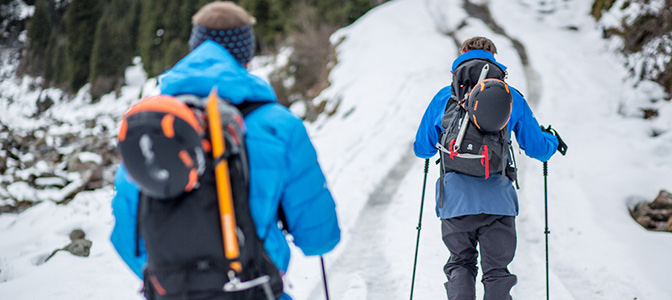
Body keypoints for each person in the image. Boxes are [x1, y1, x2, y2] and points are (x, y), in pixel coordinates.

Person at [110, 2, 340, 299]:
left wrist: (181, 278)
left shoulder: (156, 128)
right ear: (246, 54)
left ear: (194, 46)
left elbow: (127, 237)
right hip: (254, 288)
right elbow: (319, 238)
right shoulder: (279, 126)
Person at [413, 36, 560, 300]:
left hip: (455, 201)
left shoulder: (443, 98)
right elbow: (538, 148)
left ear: (461, 58)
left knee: (460, 264)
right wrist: (553, 139)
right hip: (498, 201)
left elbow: (422, 148)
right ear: (493, 57)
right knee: (497, 272)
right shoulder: (510, 96)